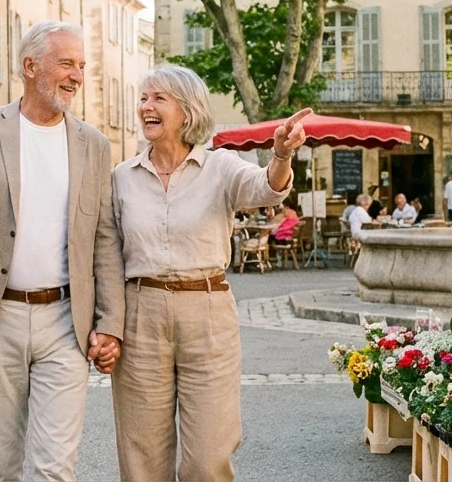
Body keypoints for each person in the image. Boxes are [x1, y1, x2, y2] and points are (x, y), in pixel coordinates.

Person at [0, 20, 123, 482]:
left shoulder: (93, 145)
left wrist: (110, 324)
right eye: (66, 63)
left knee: (55, 467)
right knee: (2, 466)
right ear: (30, 66)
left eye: (81, 65)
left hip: (66, 320)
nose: (76, 75)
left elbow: (105, 239)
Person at [110, 66, 307, 481]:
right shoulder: (121, 178)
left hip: (208, 310)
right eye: (144, 98)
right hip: (140, 311)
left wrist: (282, 156)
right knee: (141, 454)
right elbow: (106, 255)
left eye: (159, 98)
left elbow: (267, 189)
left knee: (208, 454)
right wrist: (106, 325)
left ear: (187, 109)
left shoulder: (221, 167)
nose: (146, 106)